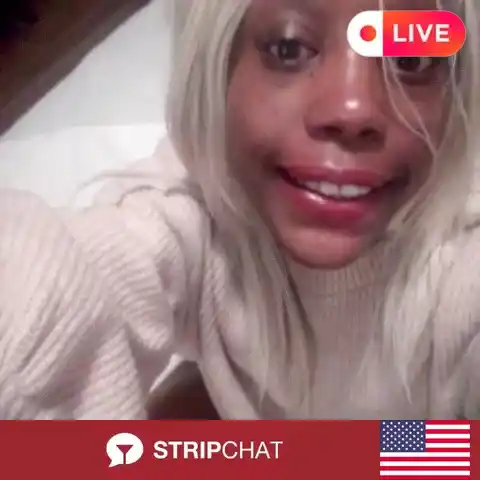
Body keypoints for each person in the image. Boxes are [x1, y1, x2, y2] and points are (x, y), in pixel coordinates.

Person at [0, 0, 478, 420]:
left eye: (410, 59)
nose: (353, 109)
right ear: (218, 66)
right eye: (289, 48)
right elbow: (62, 283)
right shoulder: (189, 209)